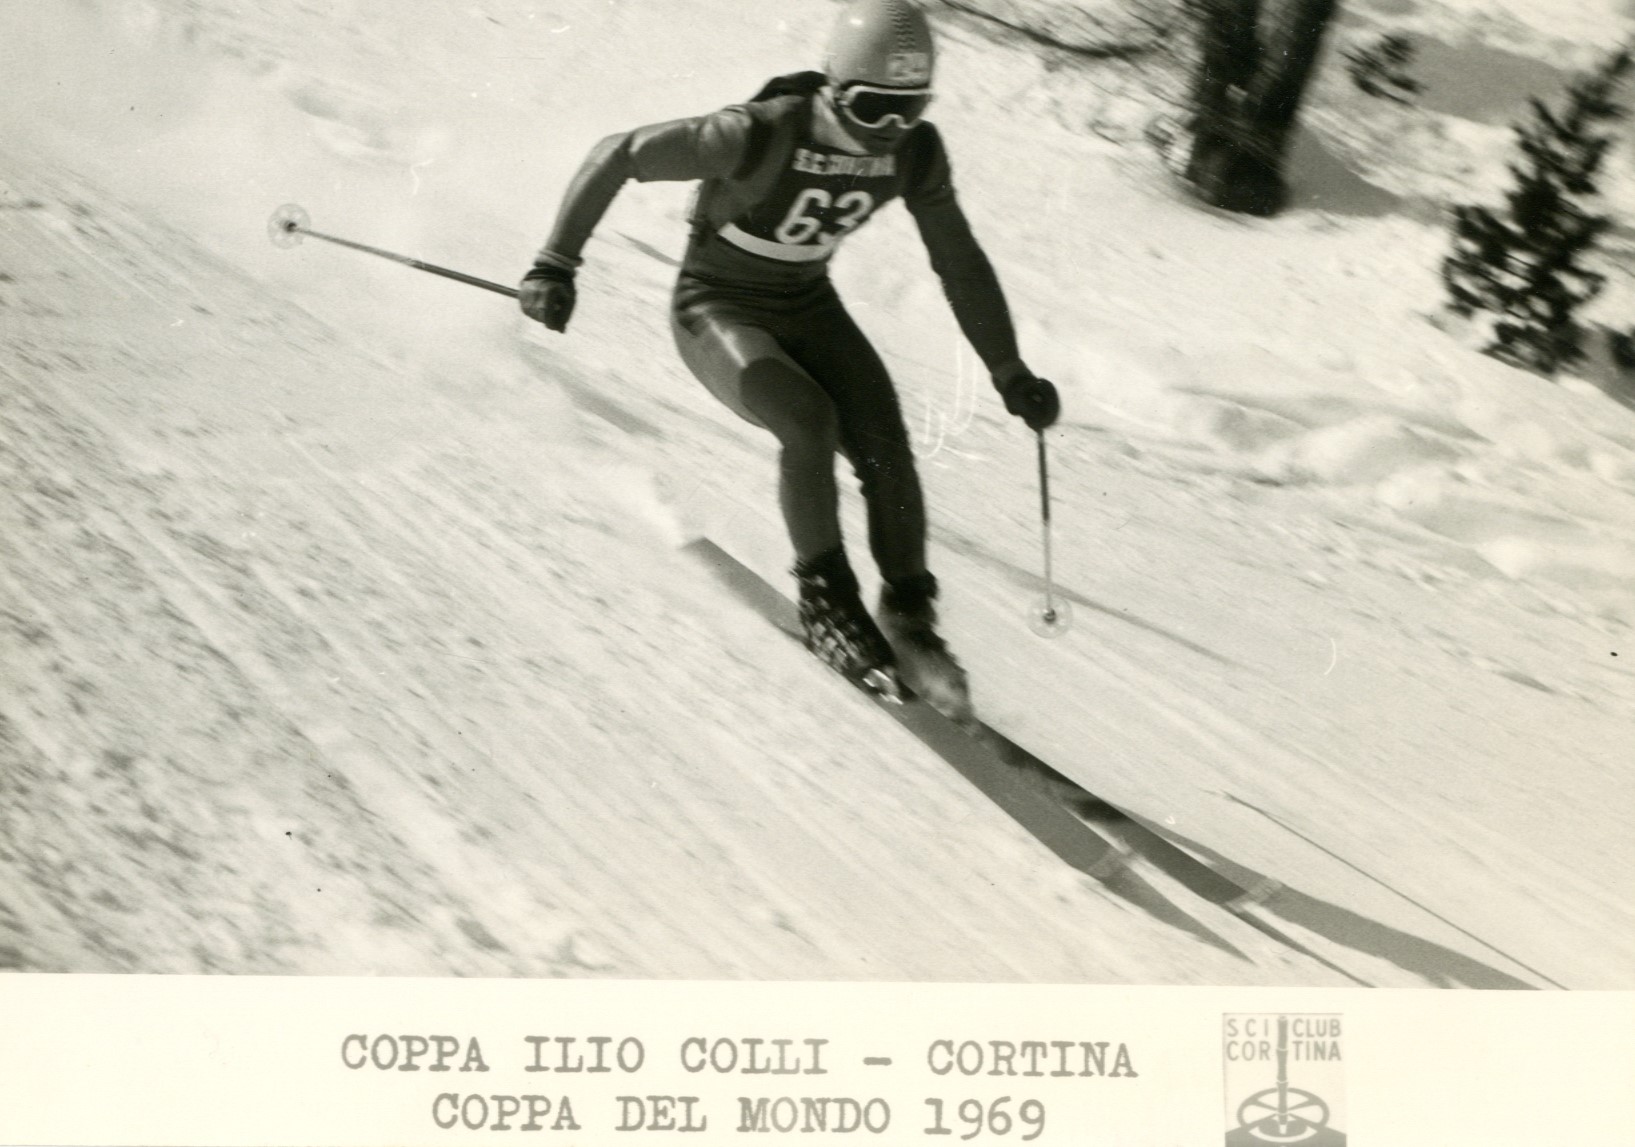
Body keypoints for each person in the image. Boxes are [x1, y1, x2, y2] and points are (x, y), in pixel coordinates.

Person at [519, 0, 1059, 719]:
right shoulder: (758, 133)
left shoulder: (914, 151)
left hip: (808, 304)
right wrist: (555, 263)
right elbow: (618, 152)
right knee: (808, 420)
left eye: (909, 109)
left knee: (886, 445)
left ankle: (909, 617)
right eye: (872, 107)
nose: (888, 130)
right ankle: (826, 601)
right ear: (835, 88)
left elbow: (958, 262)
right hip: (716, 309)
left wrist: (1008, 370)